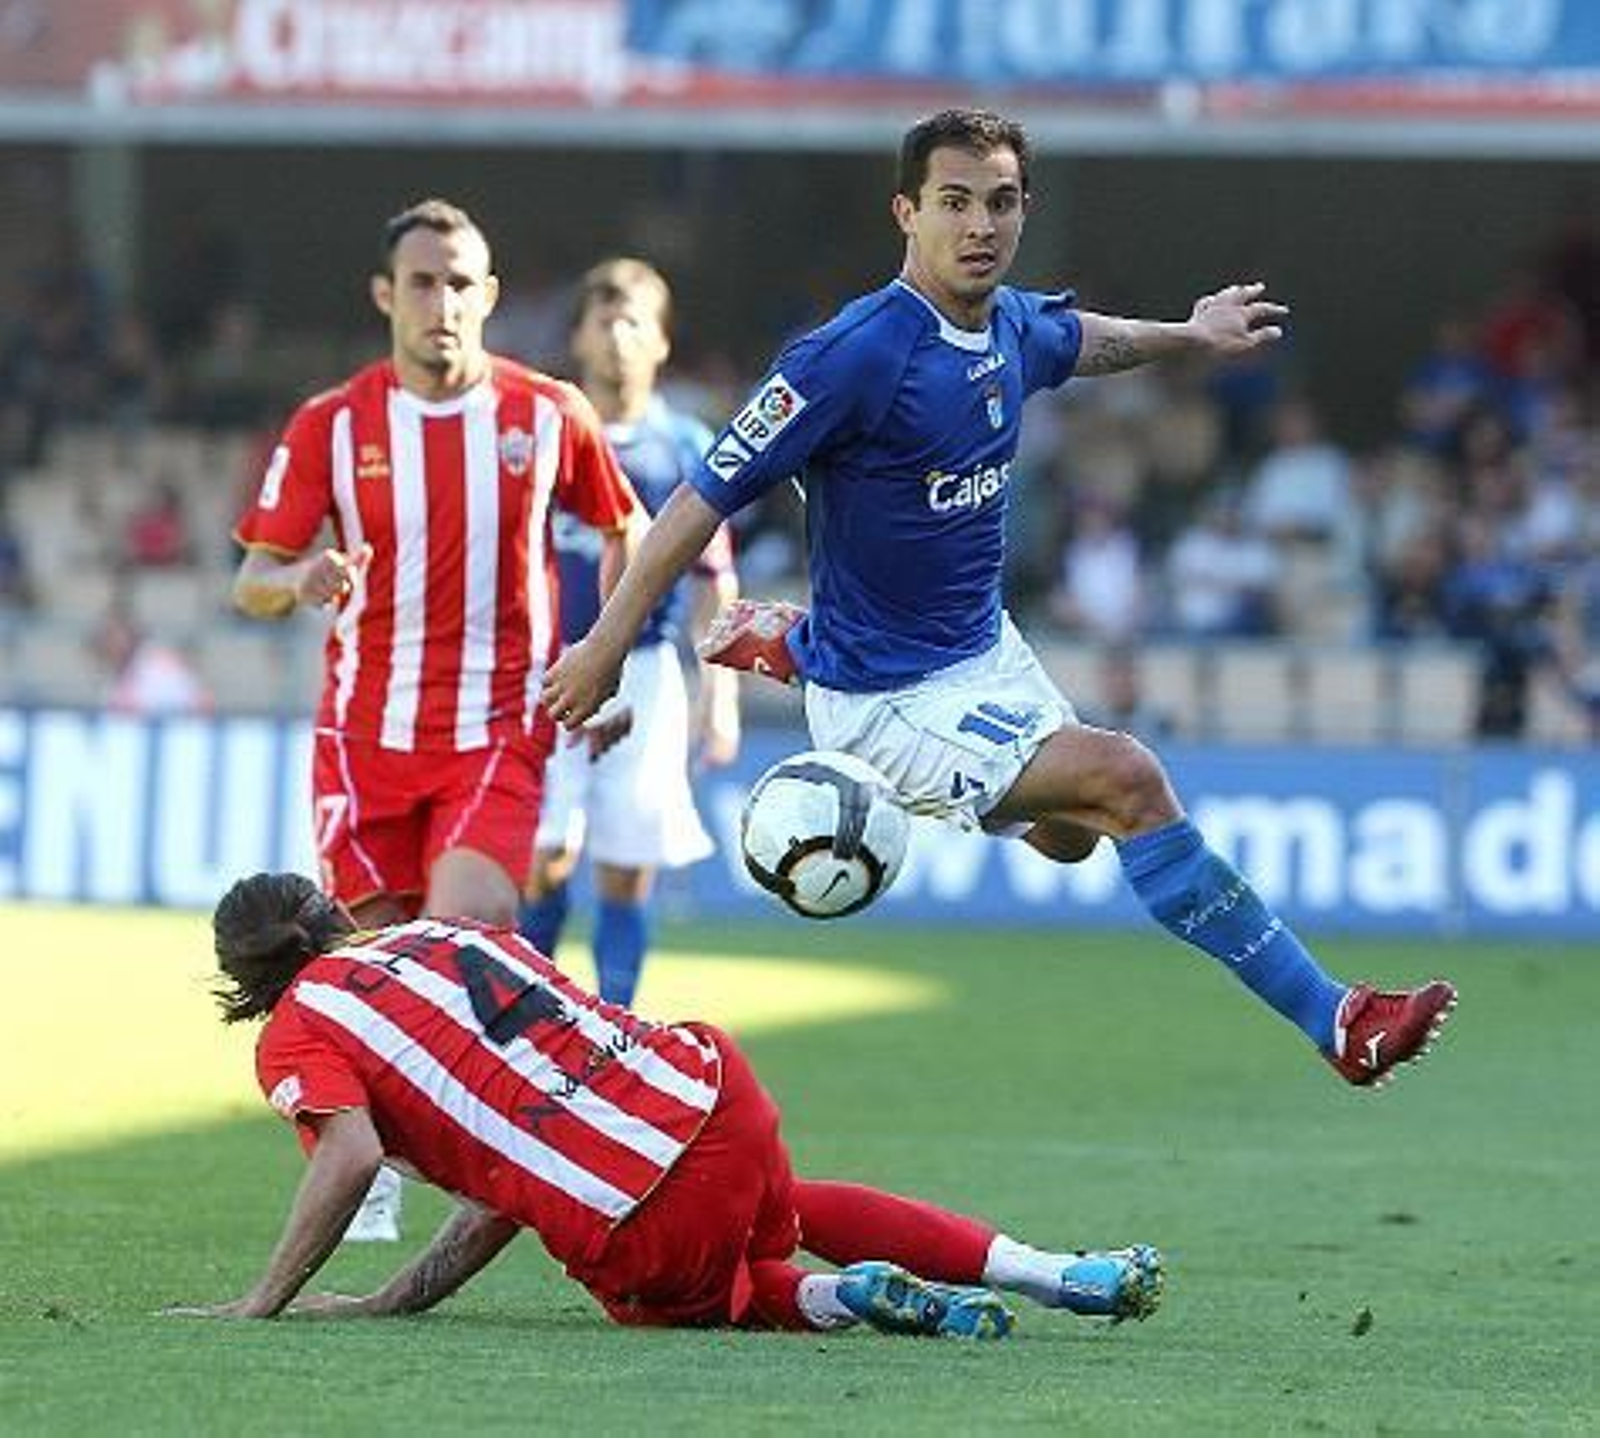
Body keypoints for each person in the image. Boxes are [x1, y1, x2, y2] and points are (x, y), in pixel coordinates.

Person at [542, 108, 1457, 1088]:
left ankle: (800, 640)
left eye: (1000, 203)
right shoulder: (848, 355)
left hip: (985, 653)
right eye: (954, 203)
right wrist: (605, 643)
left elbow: (1080, 340)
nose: (979, 225)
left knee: (1073, 838)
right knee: (1128, 779)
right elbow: (694, 501)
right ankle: (1337, 1018)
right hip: (887, 699)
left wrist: (1188, 335)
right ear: (907, 211)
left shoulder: (1007, 321)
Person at [167, 870, 1165, 1339]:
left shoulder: (297, 1031)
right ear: (337, 911)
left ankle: (837, 1296)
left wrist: (266, 1300)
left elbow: (346, 1159)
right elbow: (513, 1167)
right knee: (786, 1208)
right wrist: (399, 1297)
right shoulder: (446, 934)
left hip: (636, 1205)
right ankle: (1053, 1269)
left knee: (667, 1288)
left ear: (241, 977)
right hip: (715, 1089)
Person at [231, 199, 637, 1241]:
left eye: (462, 282)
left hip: (496, 730)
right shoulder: (333, 423)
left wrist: (607, 654)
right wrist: (301, 575)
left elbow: (625, 527)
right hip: (363, 741)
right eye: (422, 281)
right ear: (385, 295)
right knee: (362, 972)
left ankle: (520, 1157)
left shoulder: (547, 413)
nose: (442, 301)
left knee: (461, 945)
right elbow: (251, 578)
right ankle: (374, 1164)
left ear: (490, 295)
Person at [519, 258, 740, 1008]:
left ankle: (615, 1025)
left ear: (662, 342)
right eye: (604, 320)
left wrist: (722, 693)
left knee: (625, 865)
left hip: (645, 673)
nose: (618, 337)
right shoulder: (544, 433)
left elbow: (714, 579)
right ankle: (525, 1023)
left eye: (635, 321)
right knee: (543, 856)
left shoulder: (684, 442)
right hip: (545, 674)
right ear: (578, 336)